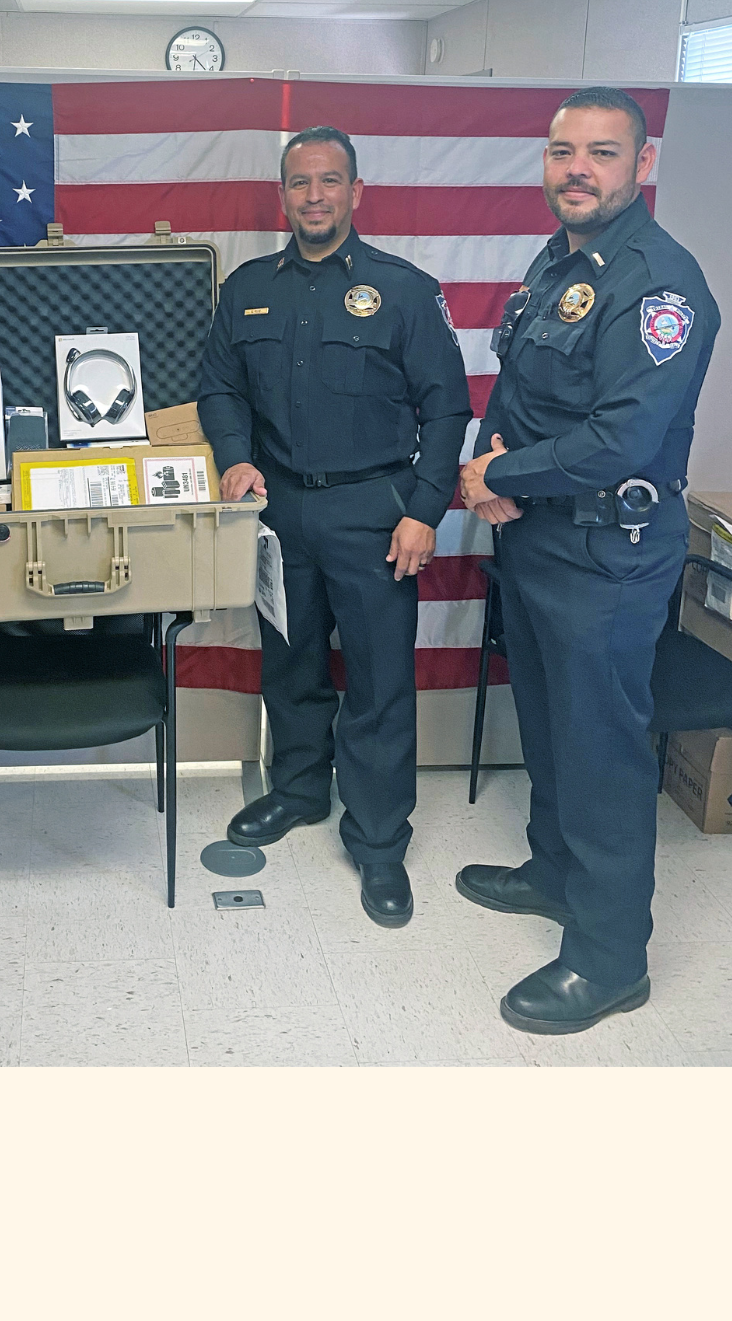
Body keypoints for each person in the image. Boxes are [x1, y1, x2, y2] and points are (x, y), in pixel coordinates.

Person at [457, 87, 719, 1033]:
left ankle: (610, 961)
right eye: (562, 151)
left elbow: (621, 439)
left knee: (601, 749)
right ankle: (555, 873)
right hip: (539, 535)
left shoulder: (658, 286)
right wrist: (490, 465)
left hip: (609, 551)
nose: (578, 169)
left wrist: (499, 474)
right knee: (549, 722)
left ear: (642, 165)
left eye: (602, 153)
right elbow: (520, 390)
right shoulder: (560, 262)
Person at [198, 126, 472, 927]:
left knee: (380, 682)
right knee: (291, 662)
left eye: (329, 180)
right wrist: (235, 459)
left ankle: (379, 841)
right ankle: (298, 791)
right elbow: (220, 389)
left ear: (356, 192)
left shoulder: (405, 290)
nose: (314, 195)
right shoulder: (248, 288)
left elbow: (446, 409)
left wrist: (424, 511)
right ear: (282, 195)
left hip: (375, 514)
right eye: (299, 182)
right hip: (280, 510)